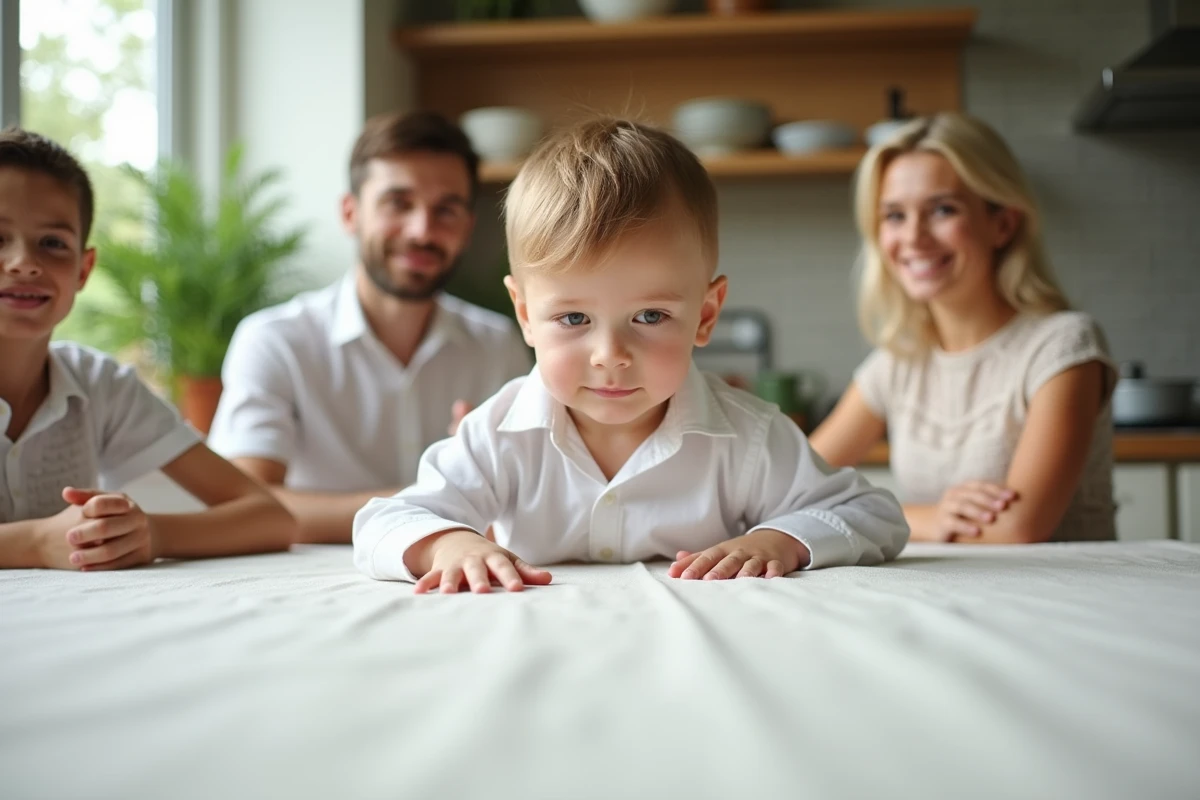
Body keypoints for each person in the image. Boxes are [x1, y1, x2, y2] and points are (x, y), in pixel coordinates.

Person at [353, 117, 909, 593]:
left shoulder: (749, 437)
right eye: (573, 319)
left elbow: (875, 514)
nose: (610, 355)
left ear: (706, 315)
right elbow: (384, 522)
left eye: (650, 317)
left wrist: (780, 539)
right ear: (525, 314)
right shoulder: (498, 433)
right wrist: (445, 545)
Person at [208, 111, 531, 544]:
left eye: (446, 211)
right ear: (350, 213)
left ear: (467, 228)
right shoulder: (274, 341)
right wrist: (441, 500)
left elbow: (529, 497)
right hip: (309, 589)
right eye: (398, 203)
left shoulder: (498, 345)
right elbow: (245, 503)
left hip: (461, 579)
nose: (422, 230)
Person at [809, 112, 1117, 544]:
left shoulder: (1063, 347)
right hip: (952, 602)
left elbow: (1018, 528)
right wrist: (929, 518)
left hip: (1070, 602)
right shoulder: (897, 364)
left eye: (942, 210)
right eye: (894, 215)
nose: (913, 237)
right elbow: (791, 491)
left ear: (1002, 224)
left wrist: (886, 517)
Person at [0, 127, 295, 571]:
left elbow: (272, 519)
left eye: (53, 243)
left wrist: (152, 533)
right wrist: (35, 544)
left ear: (84, 269)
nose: (25, 262)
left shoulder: (99, 385)